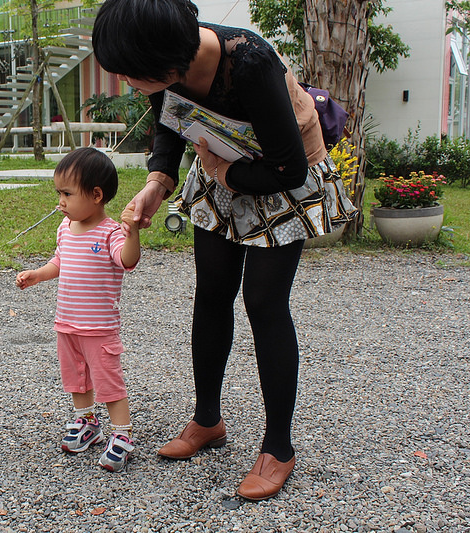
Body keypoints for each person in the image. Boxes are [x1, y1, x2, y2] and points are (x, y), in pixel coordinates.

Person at [92, 0, 356, 499]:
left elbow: (289, 169)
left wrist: (220, 171)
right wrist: (156, 183)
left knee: (264, 302)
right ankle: (207, 420)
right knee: (211, 293)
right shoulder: (167, 63)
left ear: (166, 61)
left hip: (278, 175)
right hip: (221, 164)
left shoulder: (250, 63)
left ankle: (278, 448)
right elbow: (169, 121)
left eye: (129, 72)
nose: (124, 80)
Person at [16, 147, 141, 472]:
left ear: (96, 195)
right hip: (67, 323)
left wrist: (133, 233)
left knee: (108, 382)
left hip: (98, 328)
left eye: (67, 194)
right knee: (76, 379)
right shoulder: (65, 228)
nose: (60, 201)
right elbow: (61, 260)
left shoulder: (111, 232)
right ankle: (87, 422)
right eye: (58, 193)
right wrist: (38, 274)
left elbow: (127, 260)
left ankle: (122, 434)